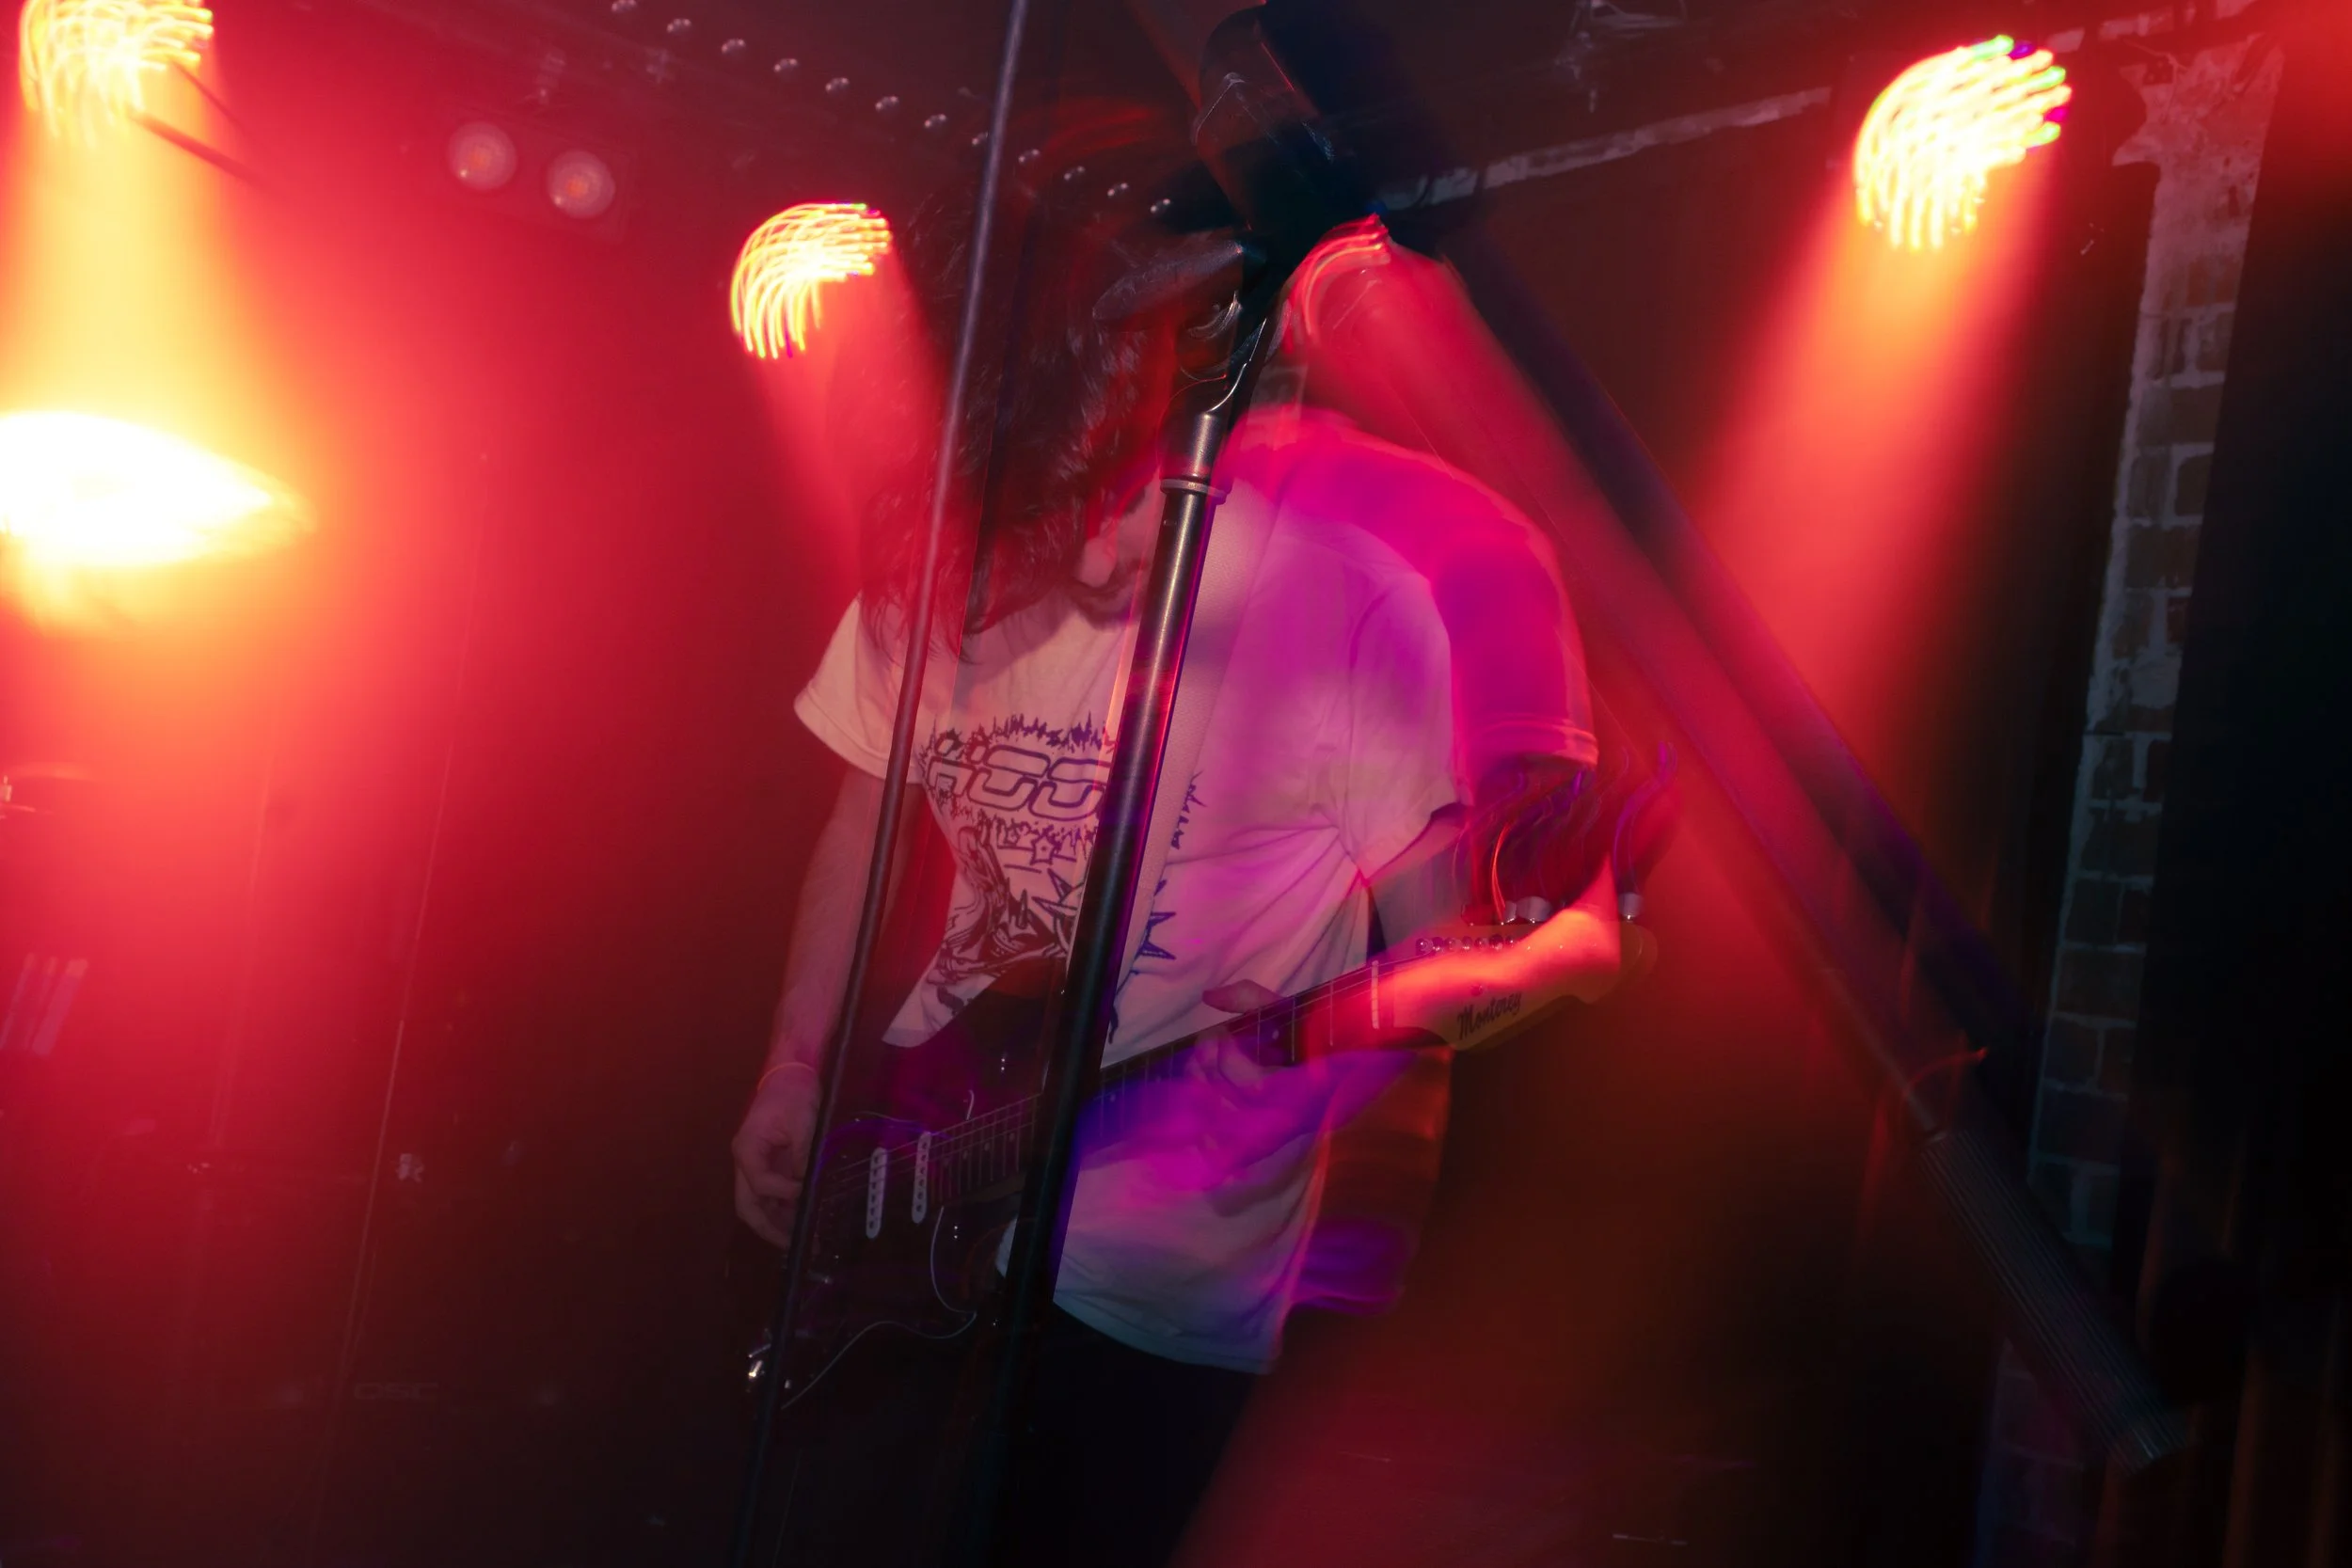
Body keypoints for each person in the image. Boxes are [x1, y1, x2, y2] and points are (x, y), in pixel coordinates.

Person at [730, 157, 1621, 1567]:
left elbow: (1448, 949)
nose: (976, 604)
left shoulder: (1340, 610)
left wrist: (1455, 992)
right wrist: (796, 1058)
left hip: (1153, 1292)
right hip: (920, 1173)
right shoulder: (931, 554)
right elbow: (861, 819)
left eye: (1029, 540)